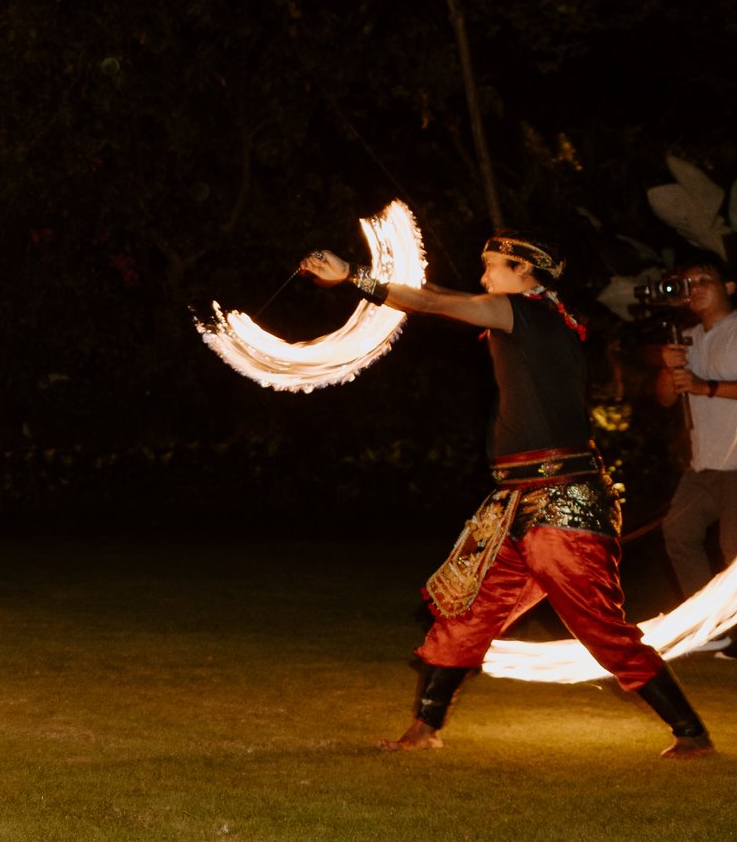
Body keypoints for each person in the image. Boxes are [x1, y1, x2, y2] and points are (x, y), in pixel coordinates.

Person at [302, 230, 715, 758]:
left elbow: (435, 301)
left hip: (563, 503)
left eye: (493, 266)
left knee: (599, 627)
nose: (484, 277)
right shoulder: (537, 319)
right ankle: (426, 729)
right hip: (516, 502)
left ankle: (690, 732)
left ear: (525, 273)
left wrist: (356, 277)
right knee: (466, 611)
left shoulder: (528, 311)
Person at [653, 254, 737, 662]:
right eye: (687, 283)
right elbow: (665, 398)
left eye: (704, 281)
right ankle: (708, 625)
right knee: (678, 534)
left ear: (729, 288)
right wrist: (668, 367)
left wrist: (706, 385)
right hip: (705, 464)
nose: (694, 290)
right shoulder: (689, 337)